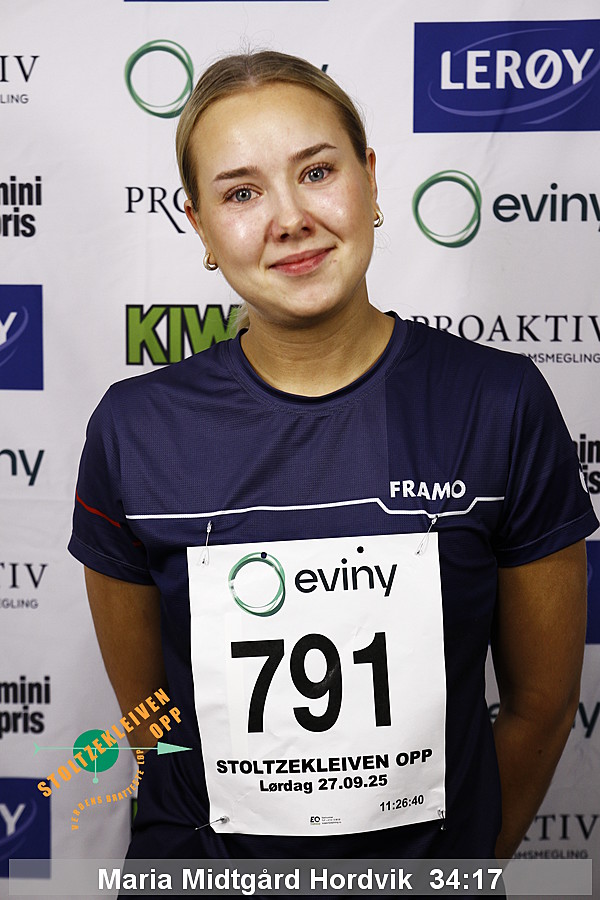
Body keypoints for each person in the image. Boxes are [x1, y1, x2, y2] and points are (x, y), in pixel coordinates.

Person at [69, 50, 597, 865]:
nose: (289, 218)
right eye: (241, 193)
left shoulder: (500, 403)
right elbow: (152, 721)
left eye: (316, 172)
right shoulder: (133, 429)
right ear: (200, 228)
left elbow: (541, 706)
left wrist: (446, 870)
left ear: (371, 181)